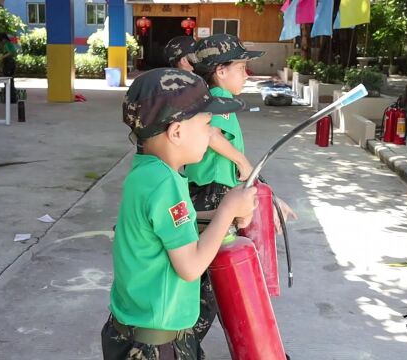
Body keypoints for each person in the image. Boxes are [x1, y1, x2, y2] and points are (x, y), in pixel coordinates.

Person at [101, 68, 257, 360]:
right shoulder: (165, 184)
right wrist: (226, 210)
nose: (210, 134)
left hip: (136, 330)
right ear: (176, 132)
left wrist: (225, 218)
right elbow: (190, 266)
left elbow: (170, 229)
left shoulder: (149, 172)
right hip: (155, 346)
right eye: (206, 125)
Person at [184, 33, 297, 348]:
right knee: (210, 290)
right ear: (220, 70)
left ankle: (255, 349)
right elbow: (211, 135)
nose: (246, 74)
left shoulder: (215, 99)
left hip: (214, 192)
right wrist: (245, 167)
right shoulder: (216, 100)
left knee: (221, 285)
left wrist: (269, 196)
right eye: (242, 67)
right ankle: (182, 349)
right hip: (210, 195)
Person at [0, 33, 18, 104]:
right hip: (11, 63)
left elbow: (11, 52)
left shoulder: (7, 44)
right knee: (10, 81)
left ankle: (8, 98)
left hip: (8, 64)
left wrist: (2, 57)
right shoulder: (9, 44)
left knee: (7, 81)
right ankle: (12, 98)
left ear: (3, 39)